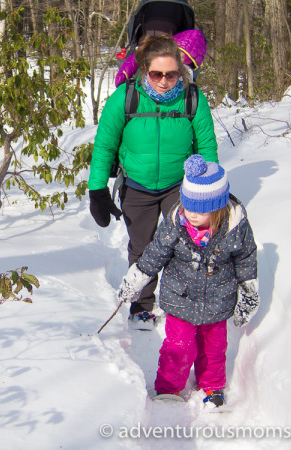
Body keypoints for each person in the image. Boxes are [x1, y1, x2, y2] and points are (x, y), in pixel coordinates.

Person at [88, 34, 218, 330]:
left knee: (186, 245)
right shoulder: (124, 98)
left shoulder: (193, 98)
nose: (163, 81)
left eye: (171, 74)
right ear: (144, 69)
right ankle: (143, 305)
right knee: (143, 246)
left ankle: (179, 303)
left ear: (181, 71)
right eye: (156, 73)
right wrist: (97, 189)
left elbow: (208, 147)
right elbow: (105, 146)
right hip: (137, 186)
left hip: (179, 186)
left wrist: (208, 189)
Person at [116, 154, 260, 408]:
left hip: (218, 300)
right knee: (178, 347)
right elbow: (156, 252)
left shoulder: (236, 226)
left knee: (214, 349)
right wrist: (138, 276)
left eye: (198, 210)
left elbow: (246, 258)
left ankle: (212, 386)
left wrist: (248, 290)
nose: (190, 214)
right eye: (187, 206)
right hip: (179, 298)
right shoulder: (175, 222)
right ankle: (169, 389)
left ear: (217, 209)